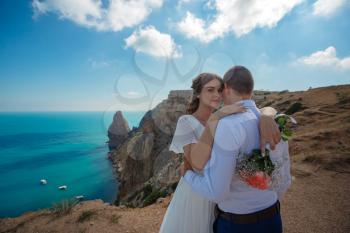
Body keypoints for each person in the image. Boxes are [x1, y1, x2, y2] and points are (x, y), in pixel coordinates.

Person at [159, 72, 281, 233]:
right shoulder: (187, 121)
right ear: (197, 94)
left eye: (219, 90)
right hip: (197, 194)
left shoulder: (226, 117)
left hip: (222, 196)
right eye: (210, 90)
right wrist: (214, 119)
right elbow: (197, 165)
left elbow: (257, 108)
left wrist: (266, 116)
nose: (216, 95)